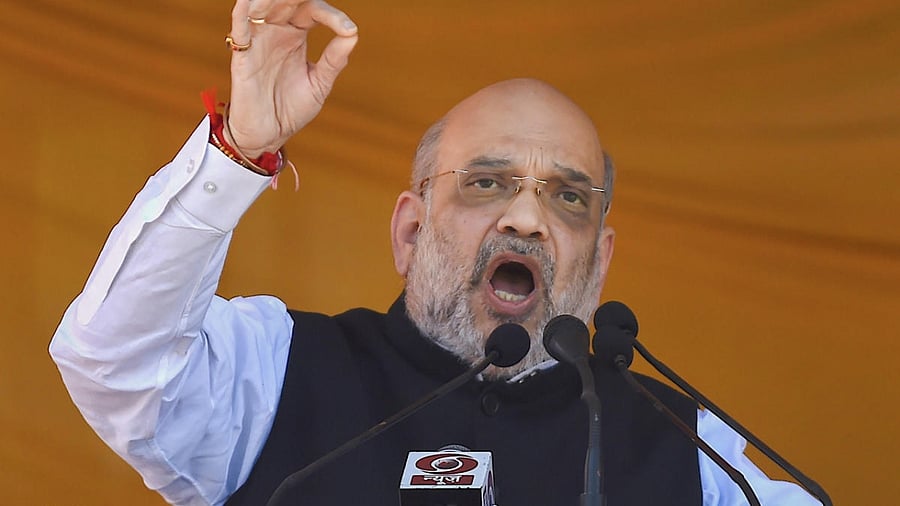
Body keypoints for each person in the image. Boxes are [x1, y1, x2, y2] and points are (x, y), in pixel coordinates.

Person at [49, 0, 823, 505]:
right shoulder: (278, 373)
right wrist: (240, 150)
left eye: (568, 197)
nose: (527, 218)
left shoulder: (689, 450)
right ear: (410, 231)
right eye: (487, 183)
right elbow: (113, 358)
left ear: (600, 258)